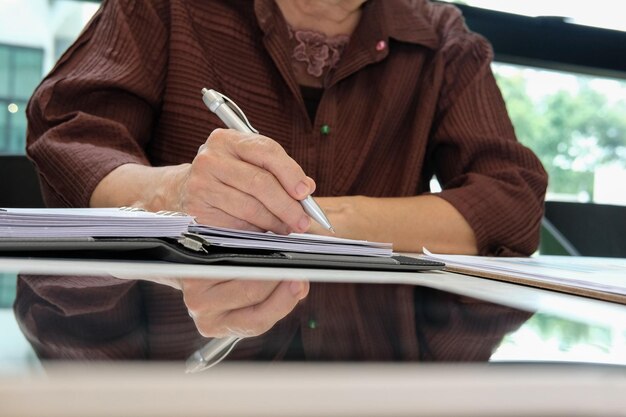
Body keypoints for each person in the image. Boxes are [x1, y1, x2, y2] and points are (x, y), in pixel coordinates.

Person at [16, 0, 547, 360]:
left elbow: (512, 201)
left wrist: (317, 220)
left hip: (374, 361)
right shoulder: (165, 8)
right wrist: (166, 195)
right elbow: (71, 133)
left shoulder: (443, 40)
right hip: (170, 350)